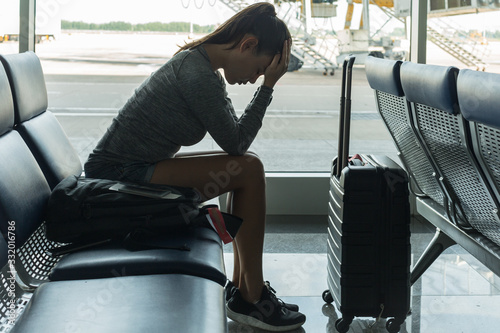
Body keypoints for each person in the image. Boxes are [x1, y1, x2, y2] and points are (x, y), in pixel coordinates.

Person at [84, 2, 306, 331]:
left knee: (249, 167)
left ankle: (245, 291)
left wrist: (264, 82)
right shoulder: (197, 74)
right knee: (248, 169)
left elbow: (237, 144)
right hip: (119, 182)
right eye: (258, 69)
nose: (255, 78)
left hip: (130, 171)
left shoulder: (200, 66)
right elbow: (237, 143)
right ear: (247, 45)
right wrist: (268, 88)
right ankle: (252, 297)